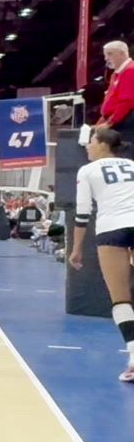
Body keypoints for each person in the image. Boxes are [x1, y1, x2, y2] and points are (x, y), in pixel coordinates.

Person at [69, 128, 134, 383]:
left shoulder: (87, 170)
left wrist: (76, 249)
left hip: (111, 230)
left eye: (91, 142)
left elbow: (82, 213)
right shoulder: (132, 165)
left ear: (103, 145)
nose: (87, 146)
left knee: (121, 299)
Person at [95, 41, 134, 143]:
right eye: (105, 55)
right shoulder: (117, 74)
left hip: (124, 124)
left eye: (110, 54)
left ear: (122, 53)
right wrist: (101, 122)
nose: (106, 58)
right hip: (117, 122)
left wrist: (109, 122)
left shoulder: (130, 70)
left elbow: (127, 101)